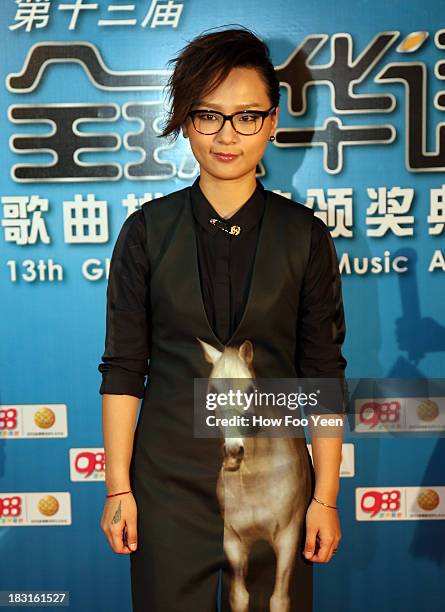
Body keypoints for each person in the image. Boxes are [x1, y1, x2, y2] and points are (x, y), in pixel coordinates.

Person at [98, 26, 347, 612]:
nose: (226, 135)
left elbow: (323, 372)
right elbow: (124, 368)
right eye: (208, 115)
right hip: (166, 483)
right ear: (186, 121)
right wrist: (118, 487)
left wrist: (326, 497)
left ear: (274, 121)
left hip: (277, 485)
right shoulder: (146, 233)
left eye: (246, 116)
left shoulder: (304, 236)